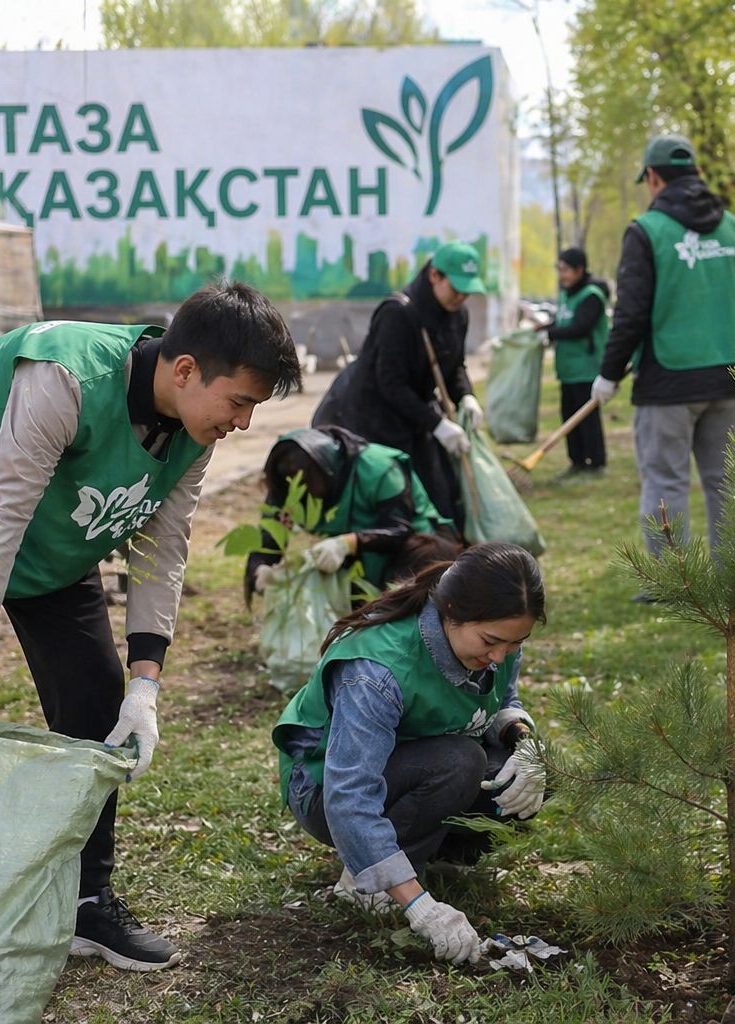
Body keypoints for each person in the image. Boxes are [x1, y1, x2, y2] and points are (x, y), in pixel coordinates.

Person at [0, 282, 301, 972]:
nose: (244, 424)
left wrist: (146, 687)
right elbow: (1, 508)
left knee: (96, 704)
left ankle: (86, 904)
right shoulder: (66, 377)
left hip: (57, 533)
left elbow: (162, 549)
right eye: (241, 403)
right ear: (186, 370)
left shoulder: (195, 431)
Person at [271, 543, 547, 964]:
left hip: (410, 765)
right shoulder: (376, 671)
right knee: (461, 762)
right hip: (324, 788)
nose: (498, 657)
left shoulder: (498, 637)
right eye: (491, 642)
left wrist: (524, 743)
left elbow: (502, 699)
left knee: (532, 770)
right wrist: (420, 908)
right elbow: (349, 795)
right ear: (451, 611)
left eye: (513, 644)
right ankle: (373, 881)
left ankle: (431, 856)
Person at [591, 133, 735, 601]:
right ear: (697, 174)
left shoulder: (646, 231)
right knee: (728, 485)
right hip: (730, 372)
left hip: (668, 380)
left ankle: (673, 583)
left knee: (666, 482)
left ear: (654, 177)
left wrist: (609, 372)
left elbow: (631, 312)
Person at [313, 241, 488, 530]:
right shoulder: (398, 313)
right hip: (371, 417)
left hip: (413, 415)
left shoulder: (458, 314)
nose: (461, 297)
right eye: (456, 289)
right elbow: (390, 383)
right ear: (434, 275)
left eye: (467, 291)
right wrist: (437, 424)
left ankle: (438, 562)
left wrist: (466, 396)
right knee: (390, 501)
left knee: (440, 497)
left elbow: (454, 365)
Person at [242, 425, 462, 602]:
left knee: (405, 599)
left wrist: (347, 543)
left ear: (328, 472)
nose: (302, 496)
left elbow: (399, 528)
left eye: (307, 485)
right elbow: (268, 540)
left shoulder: (377, 468)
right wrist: (260, 570)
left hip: (415, 551)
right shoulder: (286, 488)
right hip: (356, 562)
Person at [535, 247, 610, 476]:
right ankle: (576, 461)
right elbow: (562, 323)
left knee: (587, 418)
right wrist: (542, 329)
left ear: (580, 270)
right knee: (568, 417)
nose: (562, 275)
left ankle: (596, 463)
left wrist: (550, 334)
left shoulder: (591, 296)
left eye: (566, 270)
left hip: (586, 368)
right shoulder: (568, 295)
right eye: (560, 269)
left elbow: (580, 327)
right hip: (568, 369)